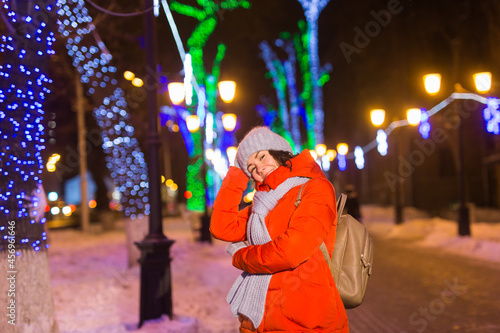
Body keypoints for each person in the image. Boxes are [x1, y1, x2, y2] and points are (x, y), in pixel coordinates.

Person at [210, 126, 349, 333]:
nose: (259, 169)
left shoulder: (315, 188)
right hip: (260, 318)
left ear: (278, 151)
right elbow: (221, 227)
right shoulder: (260, 207)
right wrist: (238, 174)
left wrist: (242, 257)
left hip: (304, 316)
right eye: (251, 168)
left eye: (262, 157)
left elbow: (290, 250)